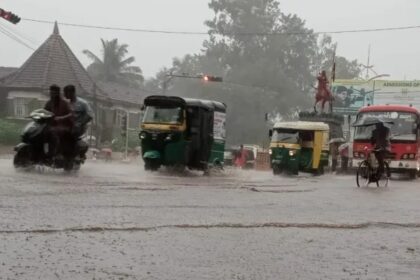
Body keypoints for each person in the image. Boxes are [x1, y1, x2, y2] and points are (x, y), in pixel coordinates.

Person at [44, 85, 74, 158]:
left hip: (64, 126)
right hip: (51, 125)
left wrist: (61, 118)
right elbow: (44, 111)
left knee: (54, 132)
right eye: (51, 93)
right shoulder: (49, 103)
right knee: (40, 131)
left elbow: (71, 114)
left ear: (58, 93)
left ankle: (57, 152)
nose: (52, 95)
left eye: (54, 93)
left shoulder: (64, 103)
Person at [64, 85, 93, 160]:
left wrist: (80, 123)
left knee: (71, 134)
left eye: (66, 93)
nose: (65, 95)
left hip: (79, 127)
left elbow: (90, 115)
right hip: (68, 126)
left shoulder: (83, 103)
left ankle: (75, 153)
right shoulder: (67, 103)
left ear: (72, 92)